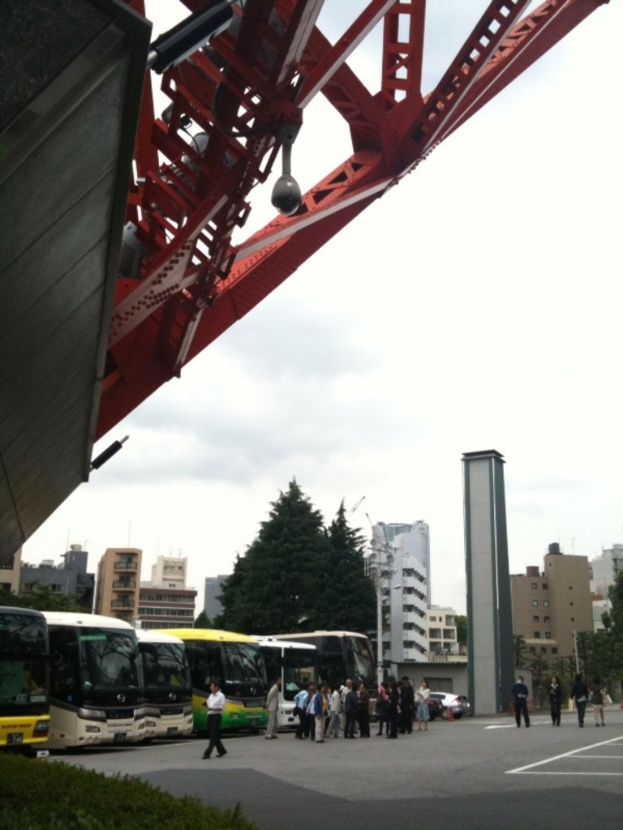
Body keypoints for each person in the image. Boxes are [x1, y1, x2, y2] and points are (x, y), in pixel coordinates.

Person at [202, 681, 227, 759]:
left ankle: (207, 753)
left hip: (217, 715)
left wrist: (212, 708)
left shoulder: (221, 696)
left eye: (212, 687)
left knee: (213, 734)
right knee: (213, 733)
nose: (210, 688)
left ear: (216, 687)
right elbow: (208, 704)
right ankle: (222, 750)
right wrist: (206, 706)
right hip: (210, 715)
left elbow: (221, 707)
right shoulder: (210, 696)